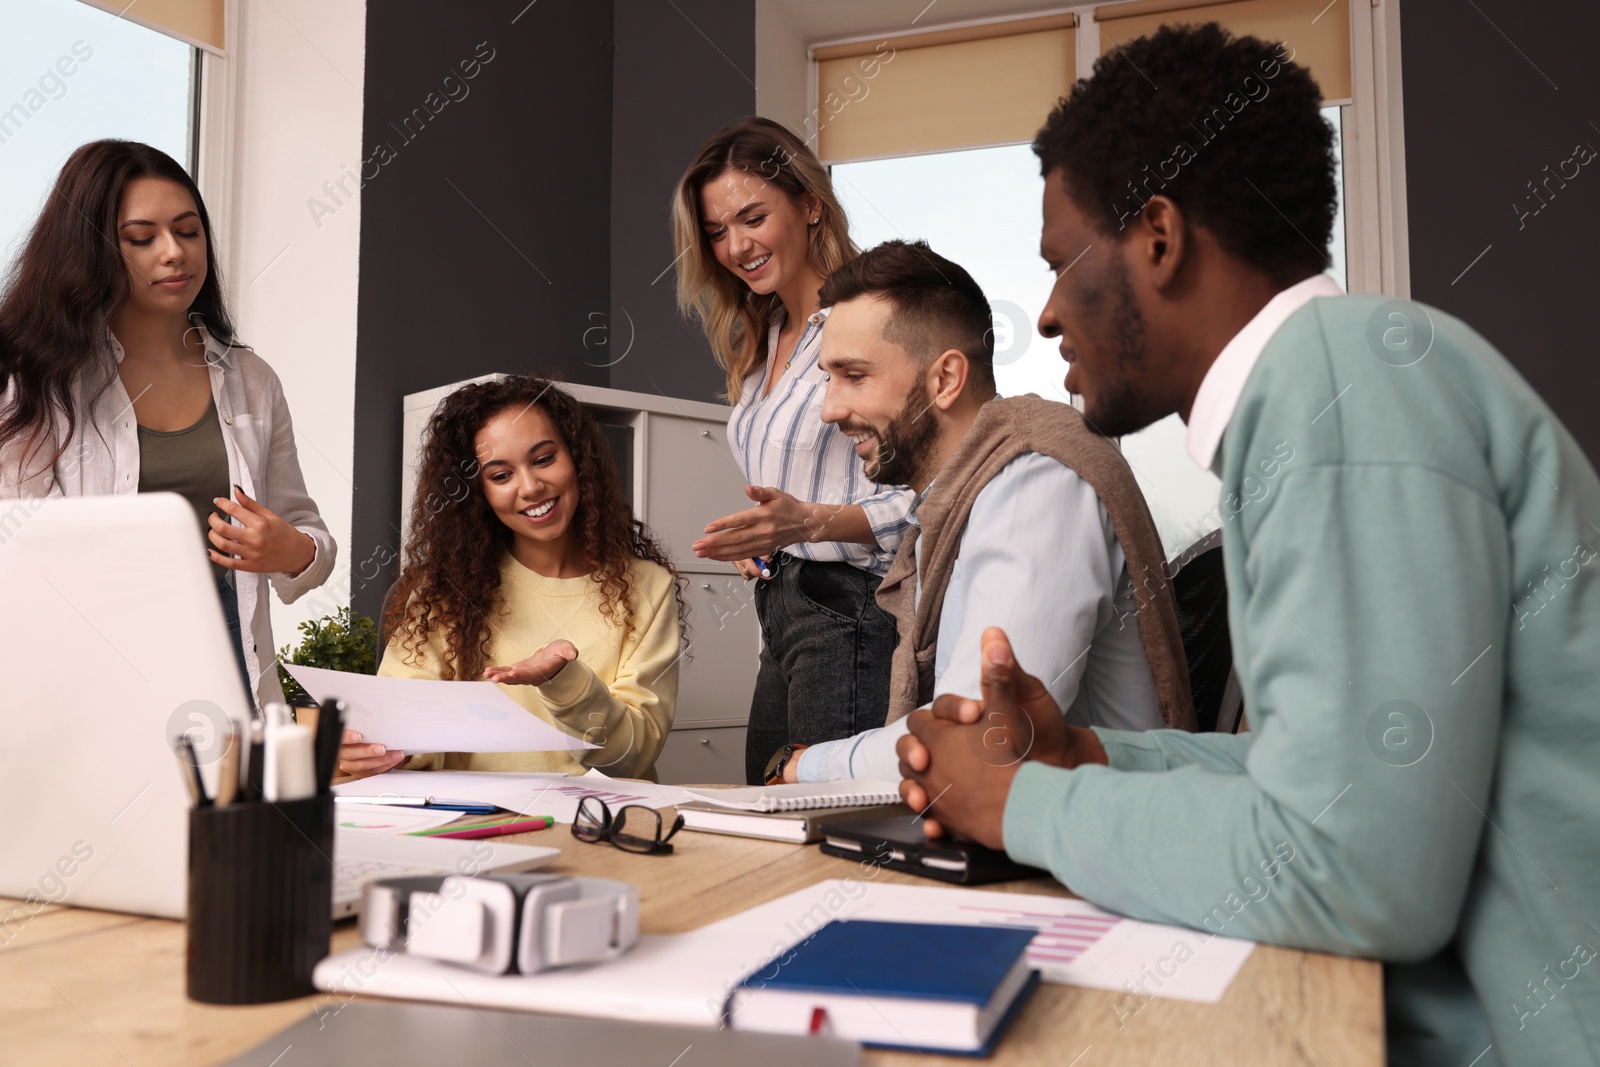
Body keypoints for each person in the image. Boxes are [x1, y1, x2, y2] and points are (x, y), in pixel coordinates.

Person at [894, 25, 1600, 1067]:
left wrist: (1021, 800)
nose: (1044, 315)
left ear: (1159, 238)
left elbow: (1354, 868)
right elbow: (1323, 775)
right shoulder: (1346, 377)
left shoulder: (1340, 386)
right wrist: (1093, 755)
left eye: (1059, 264)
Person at [774, 239, 1191, 785]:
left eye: (854, 376)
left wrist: (805, 765)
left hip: (1088, 854)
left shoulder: (1035, 482)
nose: (830, 409)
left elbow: (982, 742)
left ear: (945, 380)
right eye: (828, 379)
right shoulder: (958, 505)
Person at [0, 140, 335, 710]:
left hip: (228, 656)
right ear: (91, 250)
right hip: (90, 669)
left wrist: (292, 551)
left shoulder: (251, 378)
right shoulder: (36, 378)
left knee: (237, 799)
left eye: (188, 230)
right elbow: (14, 551)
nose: (174, 253)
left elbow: (306, 533)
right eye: (141, 238)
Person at [672, 117, 913, 783]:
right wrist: (768, 538)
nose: (736, 245)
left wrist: (809, 523)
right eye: (717, 231)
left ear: (809, 204)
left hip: (851, 611)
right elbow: (803, 481)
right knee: (768, 810)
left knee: (824, 826)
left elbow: (928, 496)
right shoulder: (764, 337)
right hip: (782, 612)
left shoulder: (869, 323)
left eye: (753, 217)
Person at [337, 376, 684, 782]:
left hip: (597, 822)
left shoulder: (647, 587)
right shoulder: (442, 590)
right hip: (474, 819)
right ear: (476, 492)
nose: (532, 487)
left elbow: (632, 755)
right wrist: (378, 749)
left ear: (578, 458)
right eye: (501, 476)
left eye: (543, 459)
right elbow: (405, 725)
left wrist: (562, 681)